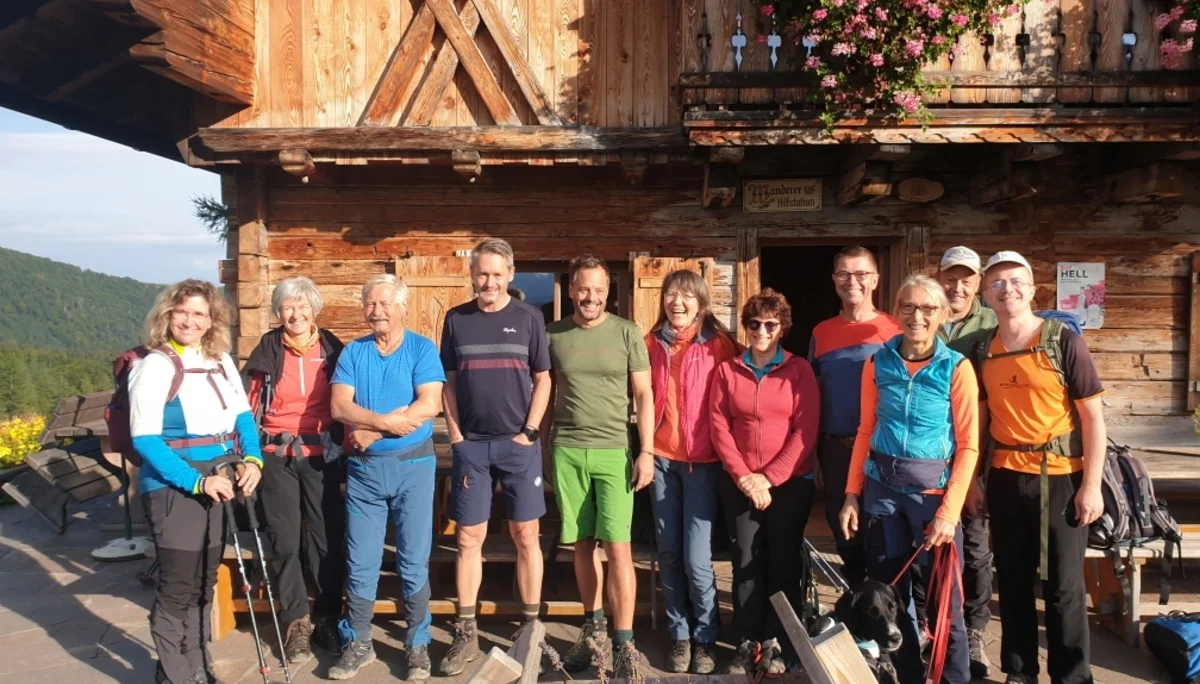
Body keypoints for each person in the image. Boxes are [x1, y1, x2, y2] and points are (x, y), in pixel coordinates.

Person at [839, 274, 980, 684]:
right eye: (908, 307)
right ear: (896, 311)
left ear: (941, 315)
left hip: (933, 498)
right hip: (882, 493)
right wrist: (852, 494)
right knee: (891, 598)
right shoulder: (878, 361)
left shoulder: (957, 368)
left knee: (943, 602)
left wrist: (949, 513)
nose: (917, 316)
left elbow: (969, 444)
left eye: (927, 308)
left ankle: (953, 678)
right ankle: (907, 677)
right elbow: (866, 429)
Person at [975, 251, 1104, 684]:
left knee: (1065, 588)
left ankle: (1072, 678)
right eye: (996, 283)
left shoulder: (1062, 340)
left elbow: (1093, 418)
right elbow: (981, 421)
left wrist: (1092, 486)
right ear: (984, 295)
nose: (1006, 289)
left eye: (1015, 281)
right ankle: (1019, 672)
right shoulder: (984, 349)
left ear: (1031, 289)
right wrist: (976, 481)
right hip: (1006, 475)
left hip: (1061, 476)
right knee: (1011, 580)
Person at [129, 279, 263, 684]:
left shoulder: (220, 360)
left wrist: (253, 460)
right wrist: (195, 482)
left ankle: (196, 667)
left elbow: (243, 418)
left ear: (212, 320)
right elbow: (145, 440)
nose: (190, 320)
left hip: (217, 481)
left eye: (199, 313)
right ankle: (175, 675)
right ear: (168, 314)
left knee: (205, 582)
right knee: (178, 586)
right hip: (175, 488)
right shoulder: (154, 366)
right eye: (182, 311)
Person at [438, 239, 552, 675]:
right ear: (473, 275)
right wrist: (456, 436)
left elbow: (543, 378)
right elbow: (447, 382)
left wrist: (529, 432)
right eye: (482, 273)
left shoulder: (529, 318)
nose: (489, 281)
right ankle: (465, 631)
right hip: (473, 448)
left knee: (527, 535)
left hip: (517, 445)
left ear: (511, 274)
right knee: (469, 539)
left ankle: (530, 627)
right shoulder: (456, 320)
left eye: (497, 273)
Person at [327, 274, 446, 681]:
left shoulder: (421, 349)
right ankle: (357, 641)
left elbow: (428, 405)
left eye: (383, 303)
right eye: (369, 304)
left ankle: (417, 645)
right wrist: (379, 421)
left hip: (413, 466)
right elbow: (340, 406)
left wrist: (374, 431)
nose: (375, 311)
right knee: (361, 560)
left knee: (413, 559)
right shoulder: (353, 353)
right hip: (363, 472)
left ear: (402, 307)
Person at [546, 255, 654, 679]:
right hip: (567, 449)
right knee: (581, 544)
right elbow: (544, 392)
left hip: (614, 451)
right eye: (583, 289)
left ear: (609, 294)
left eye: (599, 290)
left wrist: (646, 451)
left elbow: (643, 395)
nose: (591, 297)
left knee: (618, 547)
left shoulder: (626, 332)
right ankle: (592, 633)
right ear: (571, 290)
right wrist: (540, 448)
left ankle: (624, 644)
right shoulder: (552, 334)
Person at [709, 288, 820, 675]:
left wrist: (768, 479)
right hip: (739, 483)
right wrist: (744, 477)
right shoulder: (728, 370)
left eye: (770, 324)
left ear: (782, 328)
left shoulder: (799, 369)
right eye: (754, 323)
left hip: (789, 483)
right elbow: (719, 425)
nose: (761, 331)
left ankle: (778, 639)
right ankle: (746, 638)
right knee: (744, 560)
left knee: (782, 559)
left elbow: (806, 430)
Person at [241, 276, 345, 664]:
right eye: (288, 307)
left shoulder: (333, 348)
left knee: (325, 539)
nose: (295, 314)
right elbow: (249, 408)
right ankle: (296, 622)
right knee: (284, 540)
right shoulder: (267, 348)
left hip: (322, 454)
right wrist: (247, 455)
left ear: (314, 309)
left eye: (302, 306)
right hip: (276, 455)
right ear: (278, 312)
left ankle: (329, 618)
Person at [645, 269, 738, 674]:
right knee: (668, 553)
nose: (676, 303)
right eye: (670, 295)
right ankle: (679, 636)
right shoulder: (652, 343)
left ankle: (706, 639)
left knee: (697, 559)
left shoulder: (719, 346)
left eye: (685, 296)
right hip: (662, 459)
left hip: (703, 464)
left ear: (701, 302)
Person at [809, 246, 902, 589]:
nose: (853, 281)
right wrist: (815, 453)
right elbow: (816, 396)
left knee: (882, 538)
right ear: (834, 280)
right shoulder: (821, 332)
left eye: (861, 273)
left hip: (882, 450)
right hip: (836, 450)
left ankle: (887, 618)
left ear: (875, 279)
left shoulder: (895, 330)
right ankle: (859, 612)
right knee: (846, 539)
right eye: (844, 274)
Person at [934, 246, 997, 678]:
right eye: (950, 278)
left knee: (974, 548)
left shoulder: (992, 325)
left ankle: (972, 629)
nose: (957, 287)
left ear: (978, 283)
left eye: (966, 279)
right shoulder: (925, 316)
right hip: (929, 454)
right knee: (933, 542)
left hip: (974, 450)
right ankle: (931, 626)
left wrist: (974, 473)